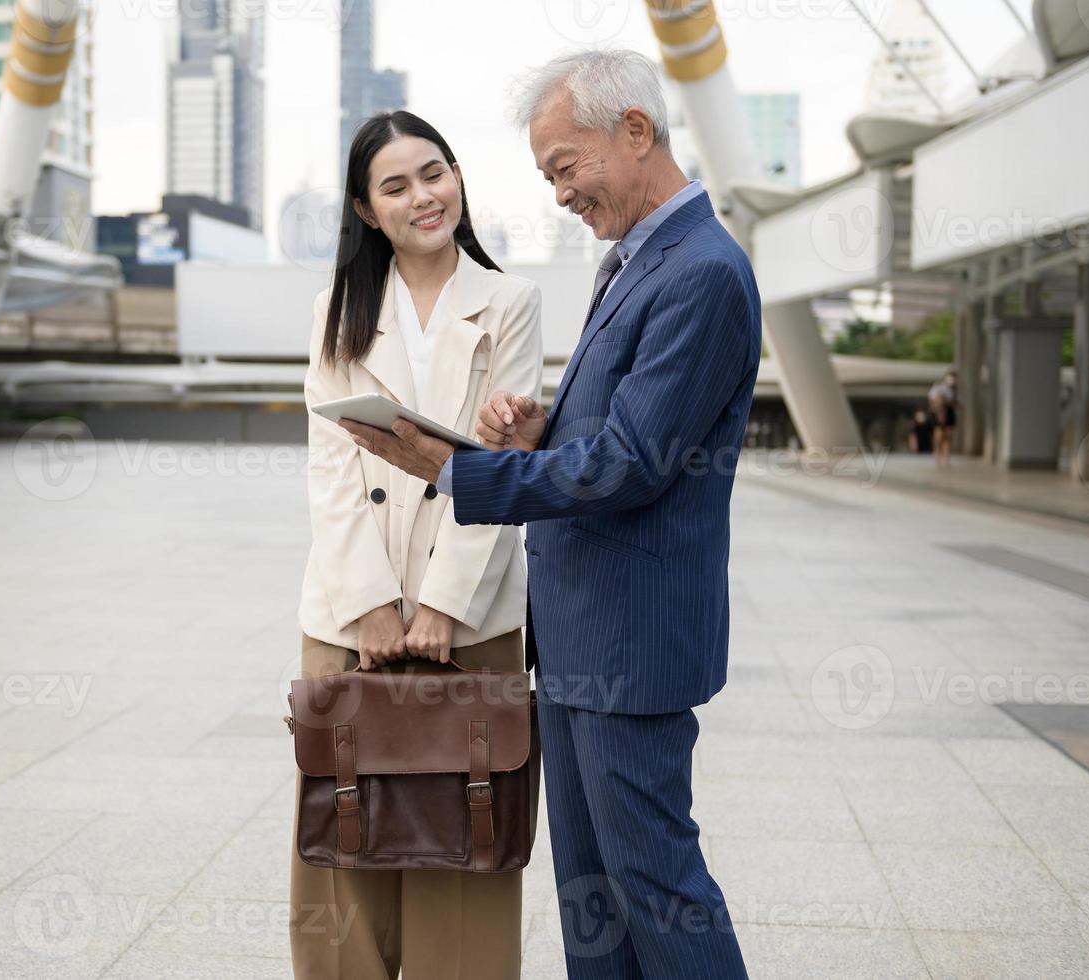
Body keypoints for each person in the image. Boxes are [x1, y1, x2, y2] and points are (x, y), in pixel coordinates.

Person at [340, 50, 755, 979]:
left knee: (657, 888)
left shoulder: (701, 273)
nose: (561, 193)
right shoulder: (638, 260)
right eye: (547, 176)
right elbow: (617, 427)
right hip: (576, 643)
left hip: (630, 646)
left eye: (566, 167)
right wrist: (542, 426)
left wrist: (465, 473)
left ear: (636, 132)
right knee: (593, 900)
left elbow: (636, 464)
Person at [292, 110, 543, 980]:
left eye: (432, 173)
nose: (420, 196)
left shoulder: (508, 302)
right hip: (347, 616)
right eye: (394, 186)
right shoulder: (338, 313)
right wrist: (368, 605)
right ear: (366, 211)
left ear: (458, 177)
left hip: (468, 619)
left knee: (465, 853)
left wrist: (441, 603)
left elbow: (509, 466)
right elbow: (331, 471)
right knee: (342, 854)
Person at [928, 370, 957, 467]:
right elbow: (933, 399)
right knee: (939, 434)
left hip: (948, 412)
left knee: (948, 435)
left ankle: (946, 455)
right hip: (938, 412)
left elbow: (952, 402)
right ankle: (937, 452)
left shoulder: (952, 389)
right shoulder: (938, 387)